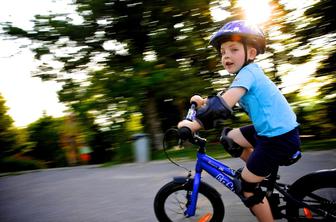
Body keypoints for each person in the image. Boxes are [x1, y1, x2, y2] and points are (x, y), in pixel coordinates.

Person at [177, 20, 301, 222]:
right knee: (230, 138)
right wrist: (203, 103)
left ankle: (253, 184)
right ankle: (259, 172)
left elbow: (222, 106)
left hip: (279, 139)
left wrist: (194, 124)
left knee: (246, 188)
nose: (226, 55)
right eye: (223, 52)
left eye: (233, 49)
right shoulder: (245, 75)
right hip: (272, 132)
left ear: (251, 53)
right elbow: (222, 99)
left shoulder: (249, 73)